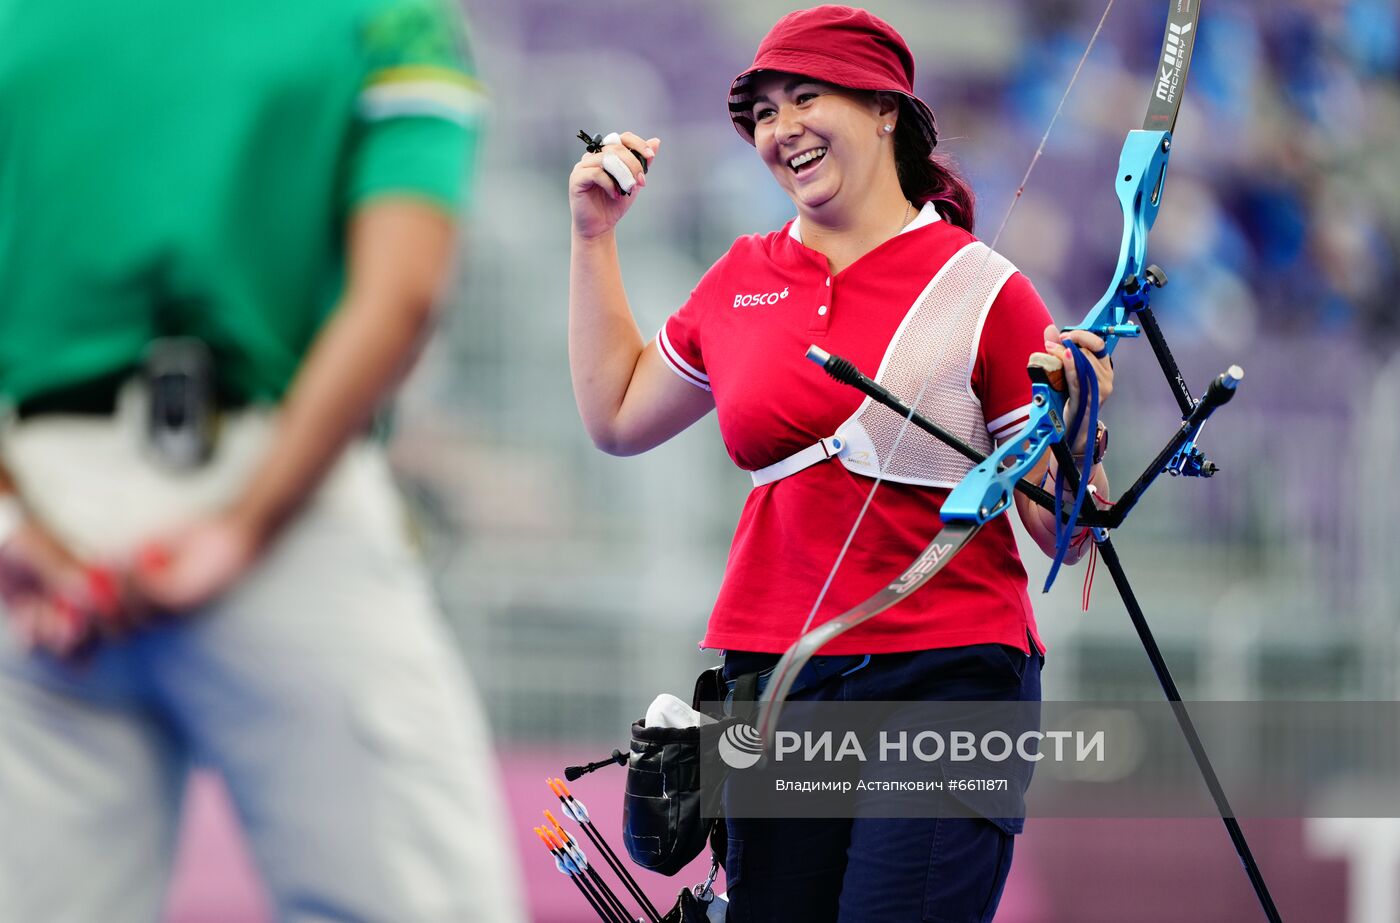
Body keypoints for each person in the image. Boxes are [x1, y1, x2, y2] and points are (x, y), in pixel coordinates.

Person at [568, 5, 1113, 922]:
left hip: (948, 680)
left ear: (885, 108)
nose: (781, 130)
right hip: (779, 679)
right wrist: (594, 236)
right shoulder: (740, 275)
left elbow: (1065, 532)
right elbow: (617, 413)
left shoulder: (983, 288)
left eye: (805, 97)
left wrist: (1082, 428)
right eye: (764, 113)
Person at [0, 0, 526, 920]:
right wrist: (244, 528)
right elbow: (400, 295)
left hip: (38, 514)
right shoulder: (388, 18)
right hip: (281, 499)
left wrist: (15, 522)